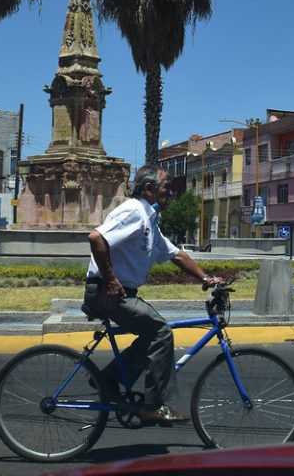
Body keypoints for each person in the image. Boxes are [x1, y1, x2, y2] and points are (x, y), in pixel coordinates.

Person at [84, 164, 220, 424]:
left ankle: (107, 380)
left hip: (121, 292)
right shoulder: (135, 211)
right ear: (149, 190)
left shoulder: (149, 220)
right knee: (160, 332)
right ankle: (153, 405)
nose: (170, 194)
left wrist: (207, 279)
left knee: (151, 338)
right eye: (166, 189)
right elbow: (96, 238)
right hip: (107, 293)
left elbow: (176, 254)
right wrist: (111, 281)